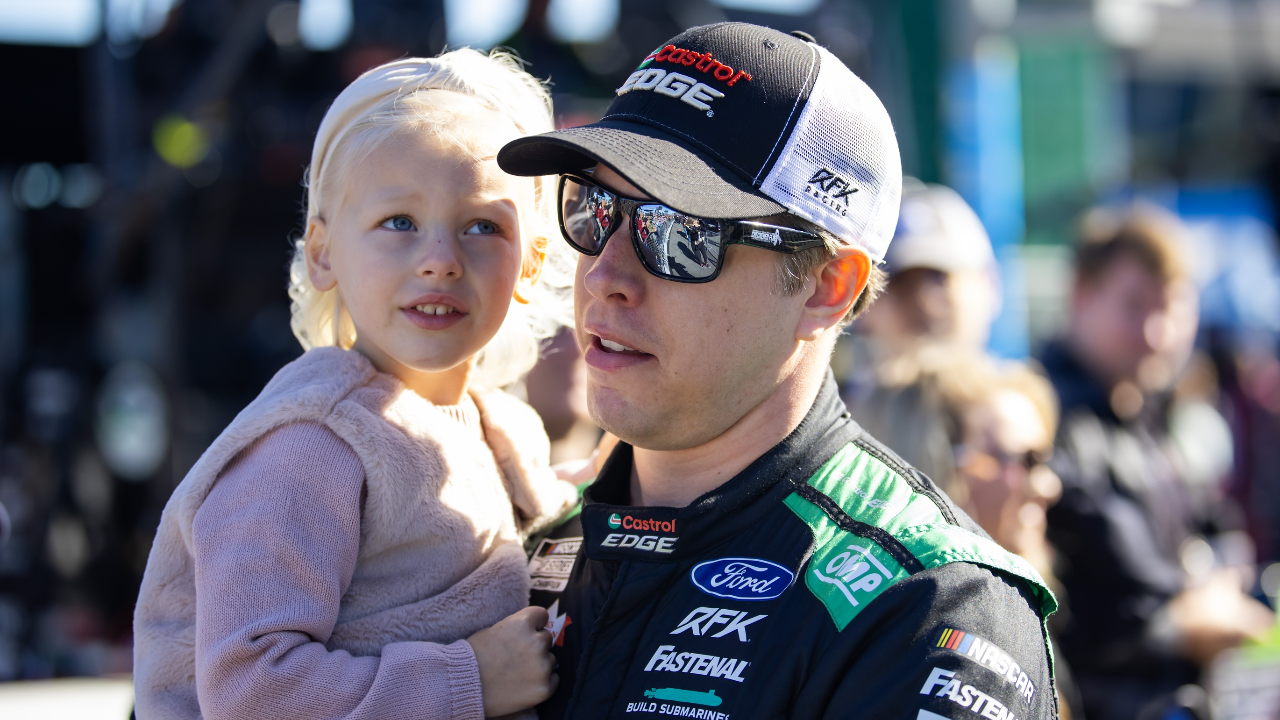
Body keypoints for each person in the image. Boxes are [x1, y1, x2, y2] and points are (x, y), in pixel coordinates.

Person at [499, 23, 1058, 720]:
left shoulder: (930, 609)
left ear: (826, 286)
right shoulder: (518, 547)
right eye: (593, 208)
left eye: (679, 233)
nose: (605, 275)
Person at [132, 50, 578, 720]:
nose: (440, 261)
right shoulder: (312, 444)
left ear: (531, 260)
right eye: (398, 222)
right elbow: (251, 689)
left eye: (483, 226)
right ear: (323, 253)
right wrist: (469, 680)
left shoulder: (499, 425)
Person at [1040, 205, 1274, 720]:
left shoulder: (1153, 414)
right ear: (1082, 296)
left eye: (1171, 308)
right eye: (1135, 306)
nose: (1156, 332)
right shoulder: (1043, 421)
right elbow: (1088, 608)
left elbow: (1215, 533)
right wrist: (1185, 623)